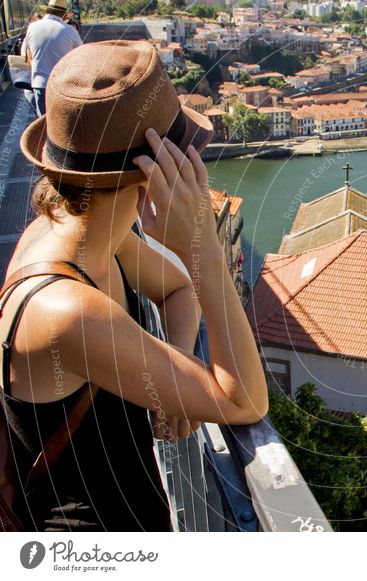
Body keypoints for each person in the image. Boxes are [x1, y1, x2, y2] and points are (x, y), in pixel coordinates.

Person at [1, 40, 268, 531]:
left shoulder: (88, 228)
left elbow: (176, 291)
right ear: (154, 175)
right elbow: (245, 399)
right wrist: (203, 249)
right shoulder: (65, 311)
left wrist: (180, 371)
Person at [23, 0, 82, 117]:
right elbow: (82, 55)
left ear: (47, 10)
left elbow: (28, 55)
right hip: (63, 86)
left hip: (40, 84)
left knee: (44, 123)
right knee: (63, 125)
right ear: (64, 14)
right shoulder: (70, 31)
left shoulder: (32, 28)